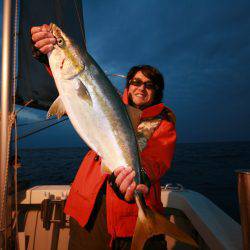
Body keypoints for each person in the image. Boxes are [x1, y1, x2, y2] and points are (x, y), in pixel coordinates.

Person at [31, 24, 177, 250]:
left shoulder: (163, 121)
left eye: (150, 85)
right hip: (87, 209)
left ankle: (149, 223)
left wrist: (140, 177)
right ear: (128, 86)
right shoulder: (114, 103)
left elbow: (158, 157)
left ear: (157, 91)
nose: (142, 88)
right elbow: (83, 83)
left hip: (126, 215)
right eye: (136, 82)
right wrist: (47, 53)